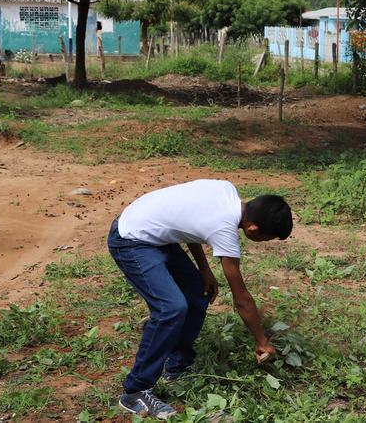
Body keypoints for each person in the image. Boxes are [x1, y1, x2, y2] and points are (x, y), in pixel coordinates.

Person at [107, 179, 292, 419]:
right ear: (253, 229)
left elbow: (190, 223)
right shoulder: (225, 229)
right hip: (130, 240)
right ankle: (135, 391)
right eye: (268, 239)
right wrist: (262, 340)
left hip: (152, 233)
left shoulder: (226, 190)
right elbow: (241, 298)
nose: (265, 243)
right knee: (171, 309)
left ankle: (178, 365)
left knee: (197, 294)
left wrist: (203, 268)